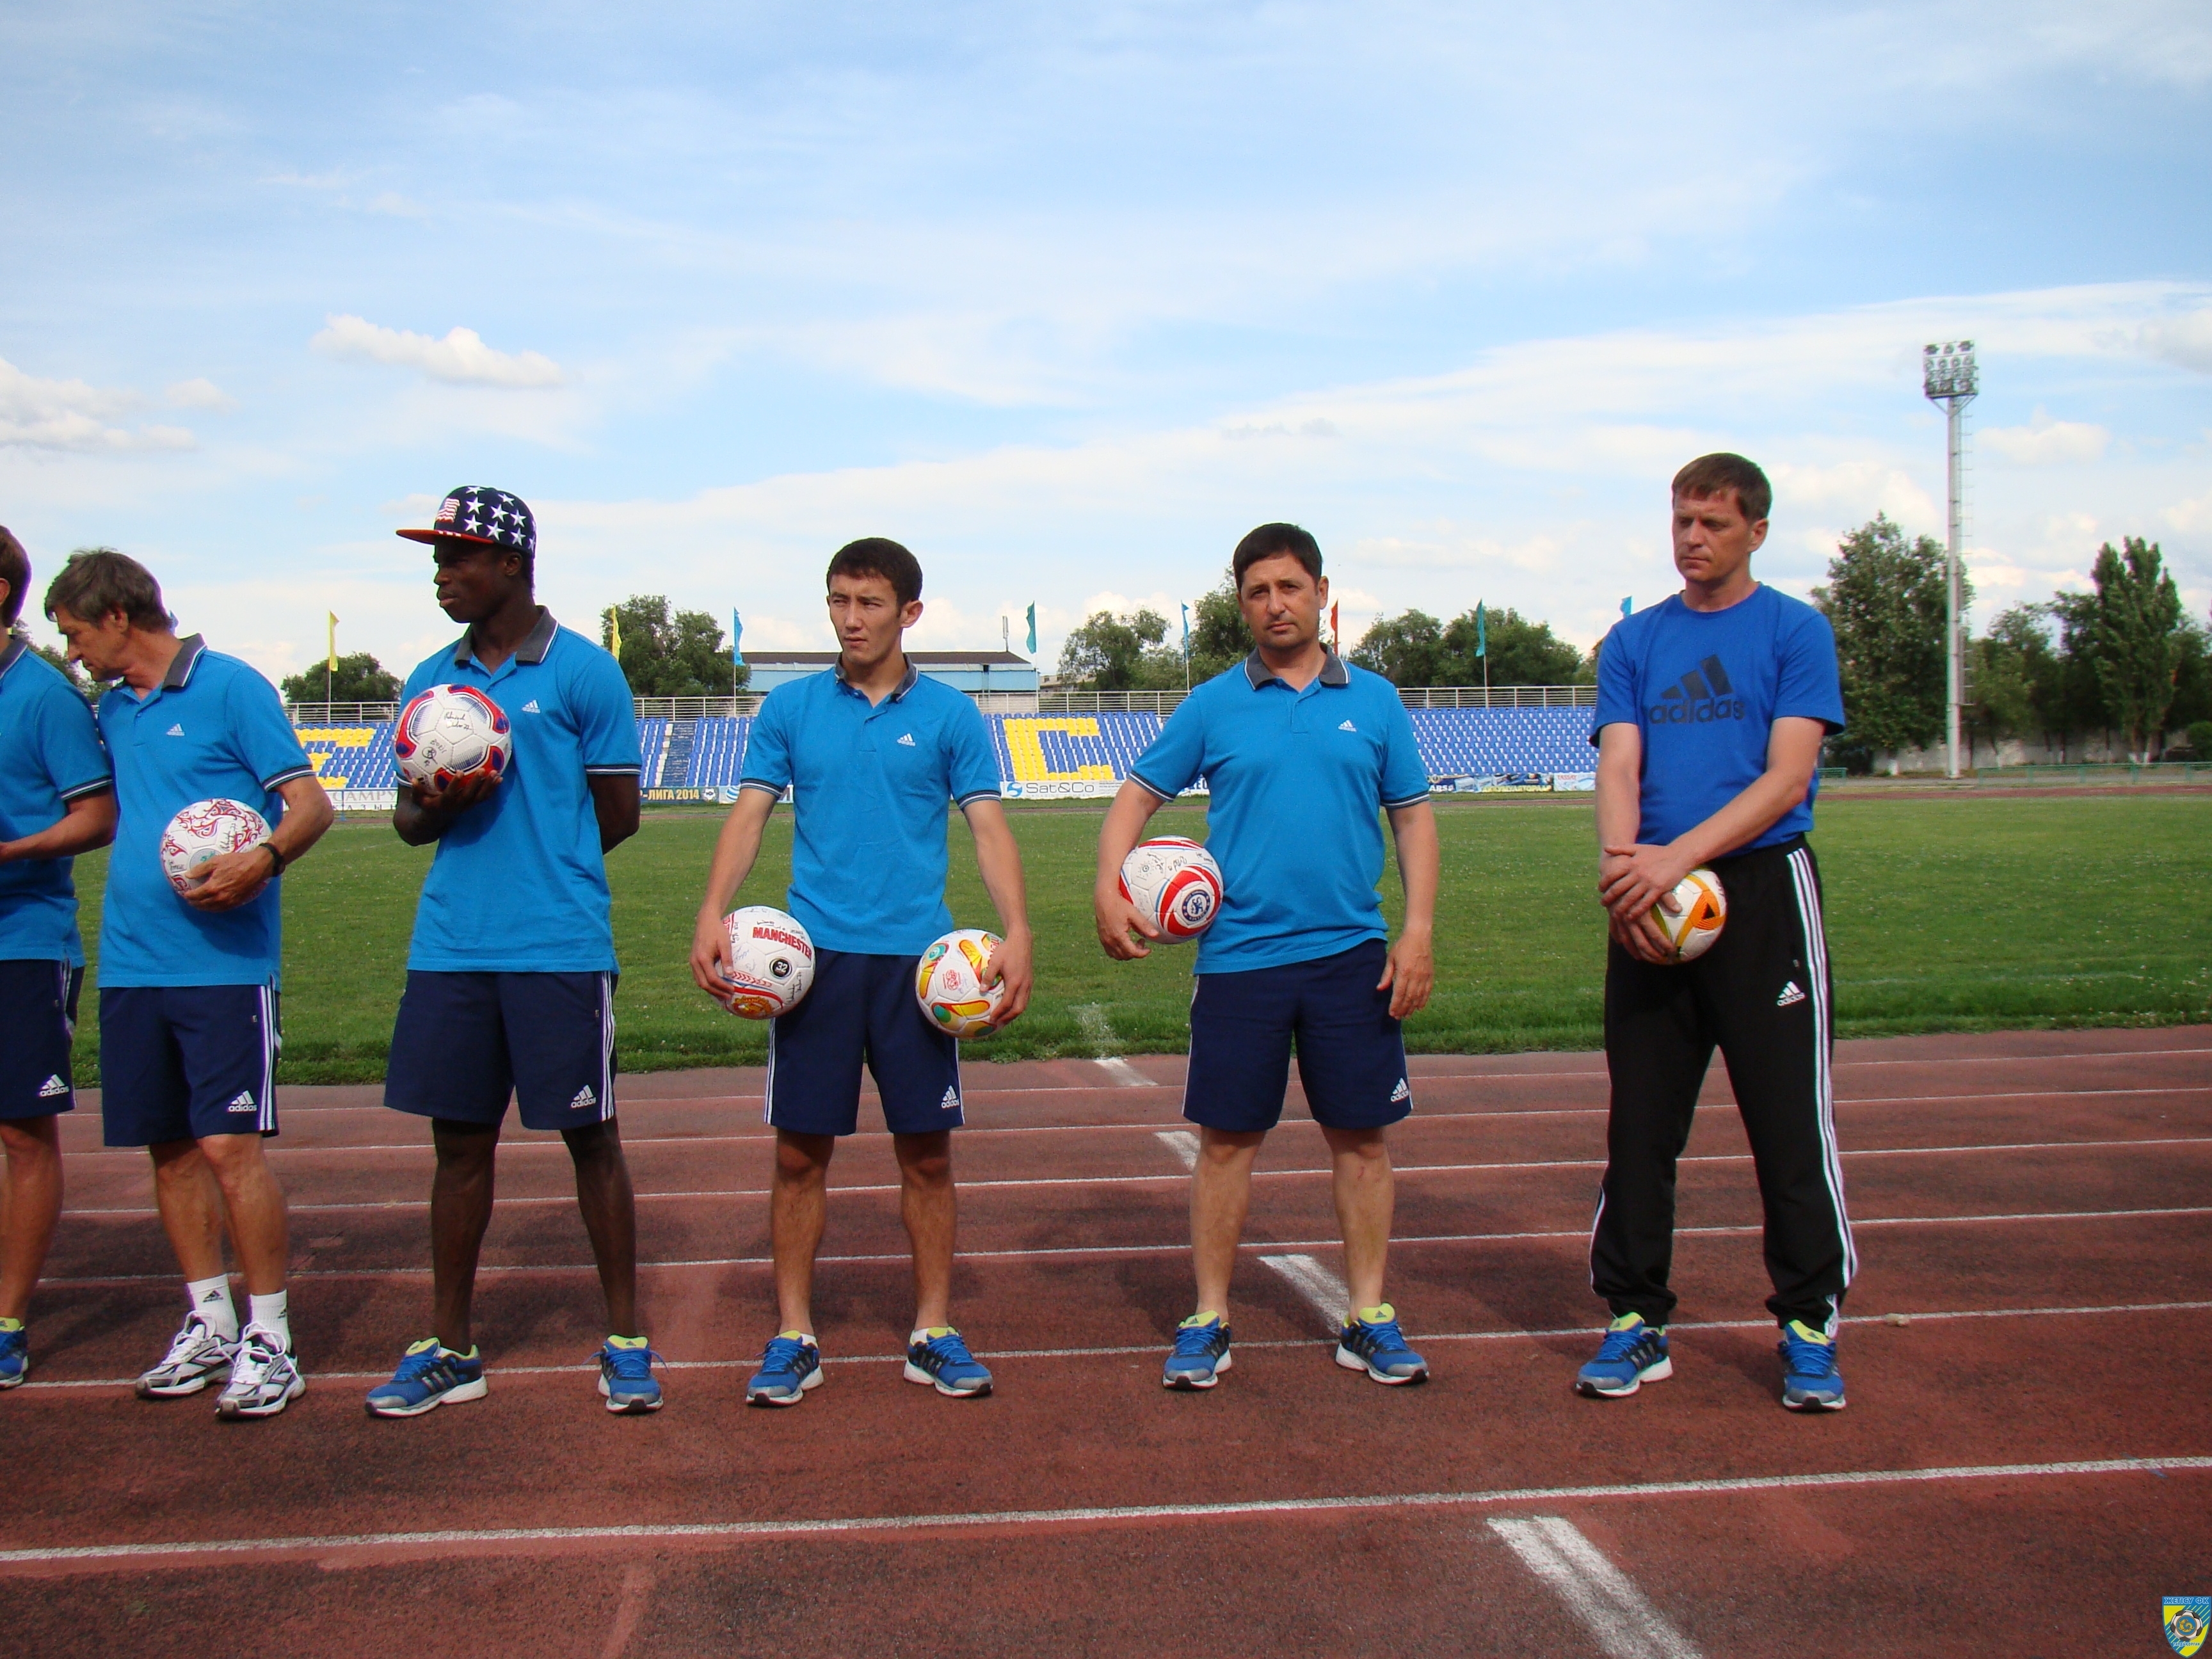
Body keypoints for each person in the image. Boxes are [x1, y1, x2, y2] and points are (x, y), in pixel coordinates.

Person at [689, 537, 1033, 1407]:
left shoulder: (952, 716)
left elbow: (988, 829)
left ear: (909, 612)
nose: (850, 619)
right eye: (839, 600)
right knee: (799, 1156)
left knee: (928, 1157)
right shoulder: (791, 708)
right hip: (816, 966)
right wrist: (711, 909)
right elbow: (749, 816)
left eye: (869, 603)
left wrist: (1019, 930)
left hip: (922, 970)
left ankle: (932, 1332)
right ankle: (794, 1336)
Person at [1095, 523, 1439, 1391]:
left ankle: (1368, 1316)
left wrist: (1418, 930)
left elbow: (1412, 820)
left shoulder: (1376, 701)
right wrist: (1108, 884)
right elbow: (1136, 795)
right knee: (1225, 1145)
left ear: (1322, 592)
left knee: (1362, 1142)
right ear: (1242, 604)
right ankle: (1208, 1317)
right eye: (1257, 592)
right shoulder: (1212, 704)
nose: (1275, 604)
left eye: (1290, 587)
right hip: (1239, 960)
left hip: (1350, 956)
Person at [364, 486, 654, 1419]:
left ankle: (626, 1341)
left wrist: (546, 864)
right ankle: (451, 1346)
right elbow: (408, 823)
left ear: (512, 564)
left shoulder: (584, 672)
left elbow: (617, 814)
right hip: (452, 944)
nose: (441, 575)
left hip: (557, 944)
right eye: (436, 559)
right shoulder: (430, 680)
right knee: (458, 1147)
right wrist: (447, 797)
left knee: (590, 1138)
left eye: (457, 557)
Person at [1577, 452, 1855, 1413]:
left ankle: (1809, 1322)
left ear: (1757, 532)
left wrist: (1674, 860)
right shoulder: (1634, 640)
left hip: (1762, 891)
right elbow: (1620, 764)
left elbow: (1787, 778)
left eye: (1715, 523)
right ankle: (1635, 1317)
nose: (1693, 538)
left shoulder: (1795, 631)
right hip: (1651, 896)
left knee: (1787, 1124)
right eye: (1682, 521)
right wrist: (1627, 871)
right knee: (1641, 1125)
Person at [45, 549, 333, 1418]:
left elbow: (311, 806)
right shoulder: (112, 710)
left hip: (223, 968)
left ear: (119, 616)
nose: (74, 653)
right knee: (168, 1151)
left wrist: (263, 859)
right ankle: (209, 1321)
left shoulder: (233, 687)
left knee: (228, 1151)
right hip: (133, 962)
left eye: (77, 634)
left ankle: (271, 1338)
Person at [0, 529, 116, 1388]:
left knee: (19, 1130)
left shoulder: (45, 697)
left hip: (20, 942)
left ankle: (6, 1320)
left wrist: (11, 852)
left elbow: (96, 817)